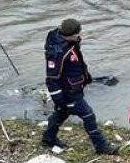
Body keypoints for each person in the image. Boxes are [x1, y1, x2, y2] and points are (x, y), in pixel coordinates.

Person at [42, 18, 119, 154]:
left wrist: (86, 77)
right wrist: (59, 100)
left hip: (74, 88)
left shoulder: (69, 44)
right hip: (69, 93)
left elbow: (76, 64)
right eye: (78, 33)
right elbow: (52, 79)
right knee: (88, 115)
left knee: (60, 114)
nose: (80, 35)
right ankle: (101, 146)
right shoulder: (58, 52)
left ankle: (48, 138)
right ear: (71, 34)